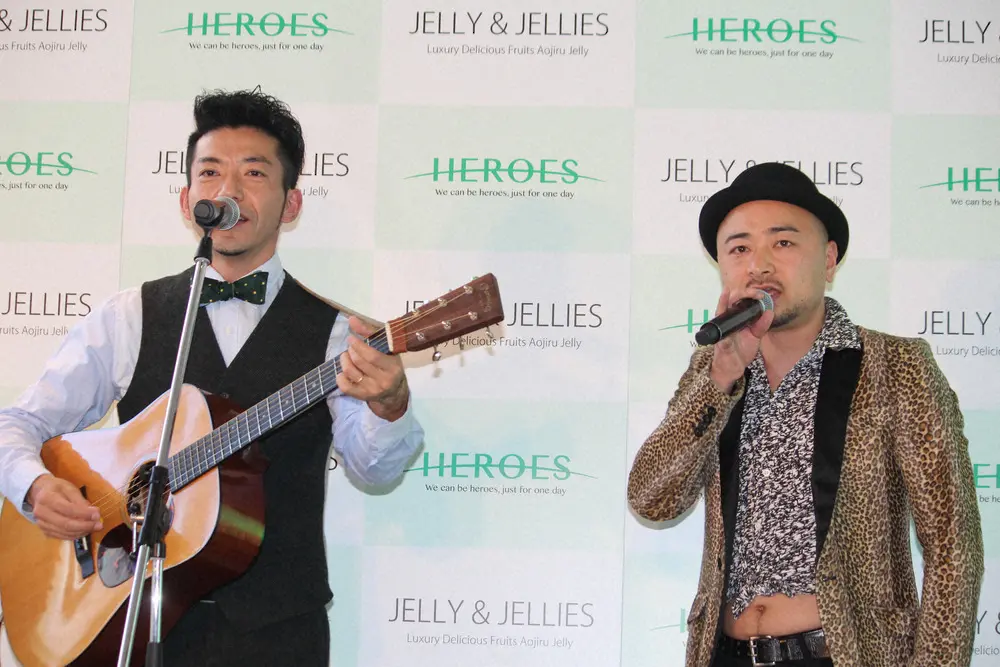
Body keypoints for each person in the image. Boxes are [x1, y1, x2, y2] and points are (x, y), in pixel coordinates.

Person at [0, 89, 424, 666]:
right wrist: (33, 487)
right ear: (187, 200)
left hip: (277, 638)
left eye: (254, 172)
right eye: (210, 172)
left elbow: (376, 468)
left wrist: (389, 405)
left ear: (291, 204)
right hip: (131, 620)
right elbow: (18, 424)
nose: (229, 190)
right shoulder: (131, 316)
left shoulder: (336, 335)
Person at [627, 162, 983, 667]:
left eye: (784, 243)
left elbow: (952, 545)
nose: (760, 265)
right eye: (739, 248)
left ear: (829, 259)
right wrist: (720, 380)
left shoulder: (895, 366)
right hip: (725, 653)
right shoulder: (713, 371)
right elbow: (652, 500)